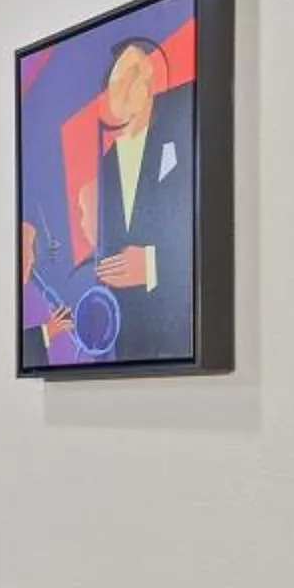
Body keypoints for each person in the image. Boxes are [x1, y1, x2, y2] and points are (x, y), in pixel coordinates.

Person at [87, 33, 197, 362]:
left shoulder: (187, 108)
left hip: (182, 331)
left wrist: (152, 264)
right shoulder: (108, 163)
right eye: (118, 82)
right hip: (131, 340)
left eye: (135, 74)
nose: (126, 89)